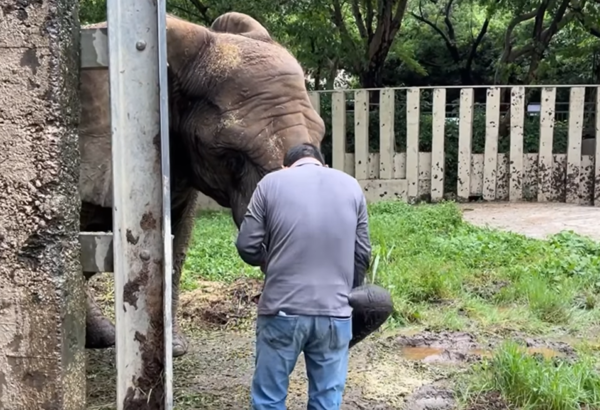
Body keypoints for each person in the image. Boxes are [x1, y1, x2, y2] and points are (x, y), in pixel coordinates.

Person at [235, 143, 372, 410]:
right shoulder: (351, 185)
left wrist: (268, 261)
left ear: (286, 167)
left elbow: (246, 245)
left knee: (269, 400)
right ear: (324, 165)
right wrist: (346, 296)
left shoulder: (270, 183)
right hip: (335, 314)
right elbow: (362, 253)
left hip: (281, 310)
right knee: (326, 401)